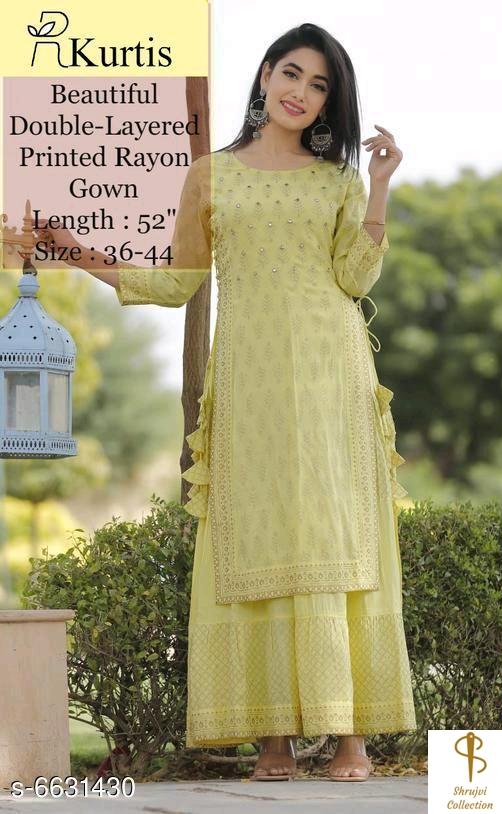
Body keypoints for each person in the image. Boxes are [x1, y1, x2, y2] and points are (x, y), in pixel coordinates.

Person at [34, 22, 417, 782]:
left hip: (330, 374)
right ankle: (272, 738)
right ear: (265, 74)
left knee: (336, 531)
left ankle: (352, 737)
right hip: (249, 378)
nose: (300, 93)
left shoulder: (338, 180)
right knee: (257, 534)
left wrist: (378, 185)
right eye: (292, 74)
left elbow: (354, 277)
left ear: (329, 103)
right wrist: (78, 255)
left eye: (319, 86)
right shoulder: (210, 176)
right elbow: (179, 281)